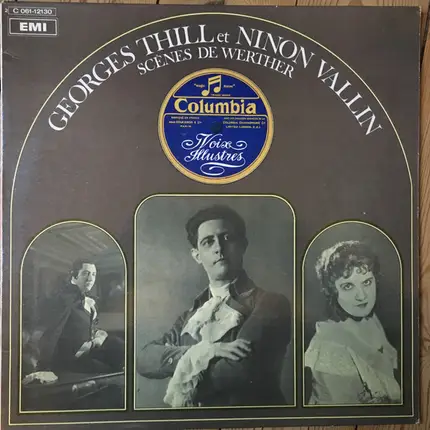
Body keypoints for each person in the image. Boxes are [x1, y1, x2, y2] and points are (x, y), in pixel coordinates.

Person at [137, 205, 291, 407]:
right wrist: (207, 351)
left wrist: (183, 365)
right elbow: (144, 359)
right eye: (208, 242)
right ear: (197, 255)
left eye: (227, 238)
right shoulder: (190, 317)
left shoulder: (271, 303)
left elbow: (237, 371)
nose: (219, 248)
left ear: (242, 245)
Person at [304, 240, 401, 405]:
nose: (362, 296)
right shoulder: (328, 345)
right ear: (333, 291)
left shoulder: (371, 320)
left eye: (367, 282)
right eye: (348, 286)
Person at [37, 258, 125, 374]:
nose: (90, 278)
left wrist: (97, 334)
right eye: (85, 273)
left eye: (93, 274)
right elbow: (53, 332)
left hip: (89, 350)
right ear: (74, 275)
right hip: (72, 358)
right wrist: (44, 366)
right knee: (109, 369)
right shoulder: (65, 299)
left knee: (120, 346)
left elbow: (83, 325)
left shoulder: (87, 300)